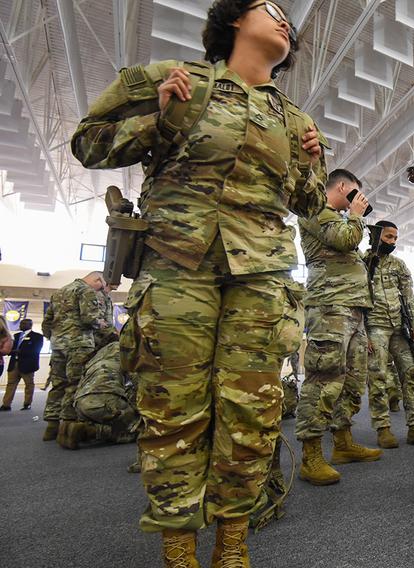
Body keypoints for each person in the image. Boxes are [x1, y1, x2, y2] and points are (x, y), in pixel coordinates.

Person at [71, 1, 326, 565]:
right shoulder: (175, 79)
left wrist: (311, 166)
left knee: (252, 413)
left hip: (260, 276)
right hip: (175, 267)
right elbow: (88, 142)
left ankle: (232, 544)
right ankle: (179, 549)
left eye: (290, 16)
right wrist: (157, 118)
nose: (285, 20)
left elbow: (308, 205)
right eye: (271, 9)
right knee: (173, 410)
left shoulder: (296, 120)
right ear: (234, 18)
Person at [294, 168, 382, 486]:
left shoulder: (339, 217)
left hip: (353, 310)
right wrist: (356, 215)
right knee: (324, 379)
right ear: (343, 187)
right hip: (330, 307)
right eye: (355, 193)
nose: (358, 200)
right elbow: (343, 240)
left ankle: (343, 443)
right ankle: (311, 455)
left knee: (353, 382)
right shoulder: (315, 209)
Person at [363, 220, 414, 449]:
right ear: (376, 236)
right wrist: (361, 333)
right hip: (374, 327)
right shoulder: (362, 264)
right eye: (388, 237)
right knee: (378, 376)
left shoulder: (399, 265)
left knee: (413, 372)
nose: (392, 242)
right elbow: (355, 302)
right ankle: (383, 428)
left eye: (395, 238)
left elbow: (408, 298)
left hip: (400, 328)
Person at [41, 272, 108, 449]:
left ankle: (51, 426)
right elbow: (89, 318)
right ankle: (68, 426)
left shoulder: (59, 292)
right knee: (75, 384)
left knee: (58, 384)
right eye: (101, 285)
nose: (101, 289)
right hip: (79, 345)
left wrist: (56, 338)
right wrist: (101, 324)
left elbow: (46, 323)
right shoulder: (86, 291)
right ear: (97, 280)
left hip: (57, 346)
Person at [0, 318, 43, 411]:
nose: (20, 325)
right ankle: (6, 404)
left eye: (23, 324)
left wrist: (19, 351)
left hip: (27, 365)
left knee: (29, 385)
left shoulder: (37, 336)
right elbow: (10, 349)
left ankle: (27, 403)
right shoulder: (16, 336)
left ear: (29, 325)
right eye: (20, 323)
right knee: (11, 384)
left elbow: (35, 350)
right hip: (14, 364)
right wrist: (12, 351)